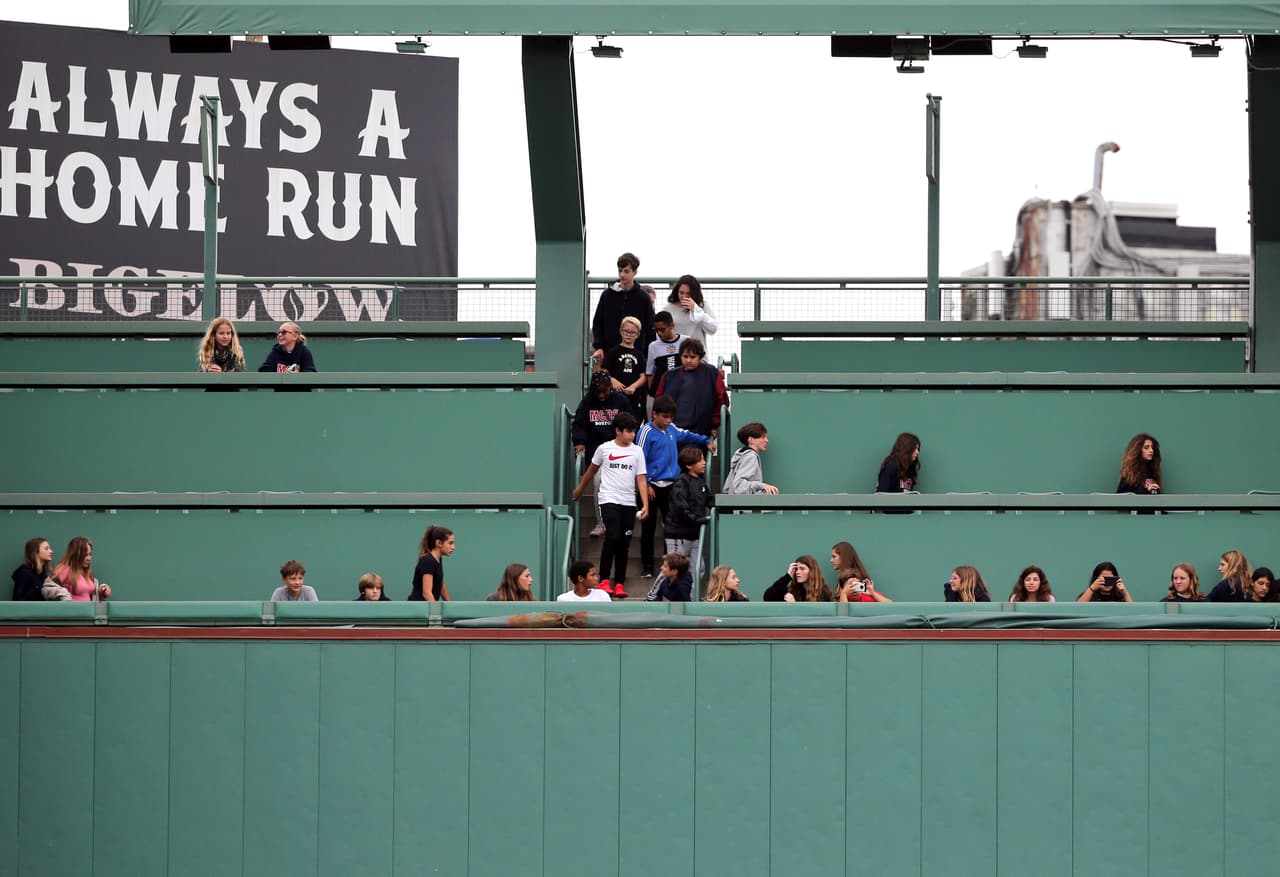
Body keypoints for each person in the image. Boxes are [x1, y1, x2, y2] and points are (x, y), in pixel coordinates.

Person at [571, 412, 650, 598]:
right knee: (613, 536)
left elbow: (641, 478)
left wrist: (645, 504)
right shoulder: (605, 449)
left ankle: (620, 583)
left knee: (624, 543)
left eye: (634, 432)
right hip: (608, 499)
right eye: (629, 431)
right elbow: (591, 470)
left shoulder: (637, 451)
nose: (632, 435)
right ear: (618, 430)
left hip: (629, 502)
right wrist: (580, 489)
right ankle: (605, 579)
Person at [635, 395, 713, 576]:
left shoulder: (671, 429)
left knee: (670, 526)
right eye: (665, 417)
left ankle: (669, 564)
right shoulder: (646, 432)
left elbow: (686, 435)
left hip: (671, 485)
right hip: (652, 485)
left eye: (671, 417)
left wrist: (706, 440)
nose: (668, 421)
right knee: (648, 526)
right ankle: (647, 566)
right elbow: (639, 460)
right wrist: (646, 484)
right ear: (654, 414)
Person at [571, 371, 632, 537]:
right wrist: (579, 443)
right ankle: (602, 523)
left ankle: (624, 522)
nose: (602, 395)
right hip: (597, 452)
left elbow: (631, 423)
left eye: (605, 391)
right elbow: (579, 424)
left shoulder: (621, 401)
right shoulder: (587, 402)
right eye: (598, 392)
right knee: (598, 484)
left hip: (621, 450)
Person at [655, 338, 728, 442]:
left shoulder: (712, 373)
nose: (688, 360)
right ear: (680, 356)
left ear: (700, 358)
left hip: (700, 430)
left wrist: (714, 425)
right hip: (671, 429)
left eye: (692, 357)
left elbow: (721, 399)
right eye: (685, 356)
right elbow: (659, 401)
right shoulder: (669, 376)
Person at [591, 252, 654, 363]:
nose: (622, 275)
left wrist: (648, 354)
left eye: (626, 271)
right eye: (620, 270)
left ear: (635, 272)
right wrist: (599, 346)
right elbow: (598, 323)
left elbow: (650, 327)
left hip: (636, 356)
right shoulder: (607, 295)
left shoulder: (643, 298)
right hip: (610, 353)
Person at [664, 446, 713, 586]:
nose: (704, 463)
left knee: (698, 569)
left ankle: (690, 600)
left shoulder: (701, 482)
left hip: (694, 534)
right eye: (700, 460)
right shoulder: (681, 482)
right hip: (677, 534)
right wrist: (696, 520)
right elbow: (680, 507)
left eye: (704, 459)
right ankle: (653, 596)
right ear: (689, 465)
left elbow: (710, 500)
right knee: (672, 569)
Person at [601, 316, 648, 419]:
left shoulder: (639, 355)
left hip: (633, 398)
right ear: (621, 331)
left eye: (632, 332)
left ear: (638, 335)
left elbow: (643, 376)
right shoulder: (613, 351)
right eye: (626, 331)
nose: (628, 334)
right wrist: (612, 380)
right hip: (615, 396)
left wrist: (634, 386)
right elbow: (604, 370)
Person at [723, 422, 779, 495]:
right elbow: (739, 486)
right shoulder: (750, 457)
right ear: (751, 440)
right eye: (762, 437)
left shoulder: (742, 455)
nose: (766, 440)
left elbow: (726, 489)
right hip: (743, 505)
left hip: (735, 504)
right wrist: (762, 486)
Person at [52, 536, 110, 602]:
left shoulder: (85, 572)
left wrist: (101, 590)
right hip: (72, 611)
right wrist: (65, 597)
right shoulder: (65, 568)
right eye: (85, 555)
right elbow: (48, 588)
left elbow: (85, 592)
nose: (89, 558)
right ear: (76, 554)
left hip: (88, 611)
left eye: (90, 554)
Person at [665, 274, 718, 346]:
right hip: (676, 353)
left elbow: (713, 329)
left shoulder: (702, 306)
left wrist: (696, 309)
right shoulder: (668, 308)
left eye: (688, 294)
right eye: (681, 293)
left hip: (697, 354)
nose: (684, 297)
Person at [410, 525, 455, 602]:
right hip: (419, 609)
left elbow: (440, 584)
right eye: (450, 543)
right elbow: (427, 593)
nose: (453, 547)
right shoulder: (428, 561)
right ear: (439, 543)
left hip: (427, 608)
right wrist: (435, 612)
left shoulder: (438, 559)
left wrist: (451, 606)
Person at [763, 556, 832, 602]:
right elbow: (768, 597)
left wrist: (795, 606)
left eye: (802, 569)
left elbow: (817, 618)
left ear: (812, 571)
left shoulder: (823, 592)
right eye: (796, 569)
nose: (797, 572)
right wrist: (788, 576)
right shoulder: (792, 590)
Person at [11, 536, 53, 602]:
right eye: (46, 549)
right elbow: (17, 600)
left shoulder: (43, 574)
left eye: (50, 548)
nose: (51, 551)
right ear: (35, 552)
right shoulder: (25, 573)